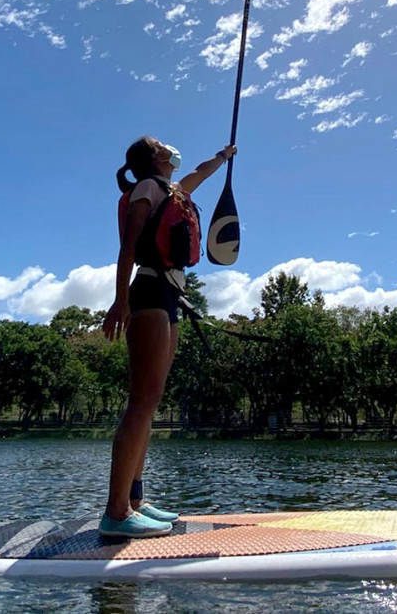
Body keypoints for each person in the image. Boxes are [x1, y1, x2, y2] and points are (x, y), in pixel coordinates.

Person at [100, 136, 237, 539]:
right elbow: (128, 245)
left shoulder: (171, 190)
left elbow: (197, 174)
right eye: (163, 145)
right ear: (155, 158)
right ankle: (116, 513)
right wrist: (119, 301)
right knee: (141, 402)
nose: (172, 149)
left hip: (170, 296)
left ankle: (135, 501)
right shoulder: (145, 187)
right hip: (147, 291)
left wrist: (223, 157)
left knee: (152, 400)